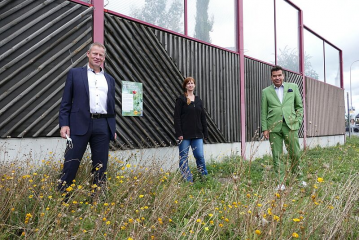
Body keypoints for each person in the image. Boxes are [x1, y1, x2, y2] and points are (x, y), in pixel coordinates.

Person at [58, 42, 116, 197]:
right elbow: (66, 102)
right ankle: (63, 198)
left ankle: (97, 198)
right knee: (71, 162)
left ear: (104, 58)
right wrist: (64, 124)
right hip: (79, 124)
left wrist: (112, 128)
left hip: (102, 125)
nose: (98, 57)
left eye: (101, 55)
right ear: (88, 54)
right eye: (95, 54)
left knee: (100, 165)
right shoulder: (75, 74)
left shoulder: (110, 79)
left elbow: (111, 107)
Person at [261, 66, 305, 190]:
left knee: (295, 153)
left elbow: (299, 107)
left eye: (279, 75)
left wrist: (298, 121)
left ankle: (299, 179)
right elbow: (263, 112)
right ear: (271, 77)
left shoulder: (293, 87)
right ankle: (280, 183)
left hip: (290, 125)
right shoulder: (266, 91)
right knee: (277, 155)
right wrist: (265, 128)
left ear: (283, 76)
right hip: (273, 127)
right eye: (274, 76)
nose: (277, 78)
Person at [174, 77, 208, 182]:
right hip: (184, 135)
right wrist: (179, 133)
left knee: (200, 156)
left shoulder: (198, 100)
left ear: (194, 85)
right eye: (188, 83)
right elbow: (177, 117)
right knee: (183, 158)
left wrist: (205, 133)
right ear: (185, 86)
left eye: (192, 83)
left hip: (197, 134)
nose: (190, 85)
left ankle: (204, 177)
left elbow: (203, 117)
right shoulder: (181, 100)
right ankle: (188, 180)